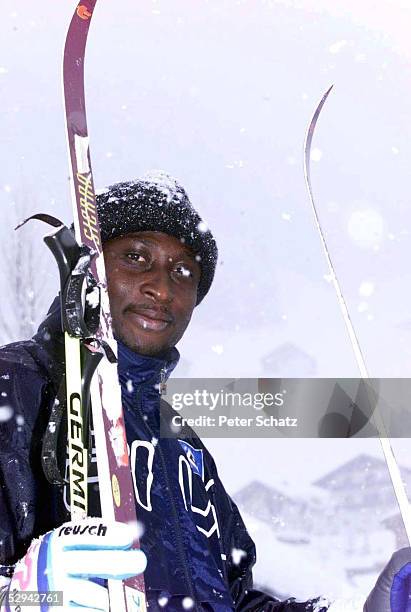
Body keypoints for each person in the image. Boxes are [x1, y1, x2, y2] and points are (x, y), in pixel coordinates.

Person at [0, 171, 410, 612]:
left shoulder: (184, 447)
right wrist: (22, 597)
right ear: (88, 267)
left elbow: (231, 602)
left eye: (183, 272)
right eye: (136, 257)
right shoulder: (15, 387)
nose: (161, 288)